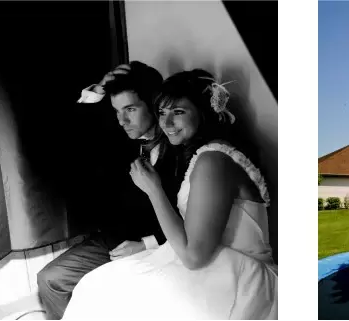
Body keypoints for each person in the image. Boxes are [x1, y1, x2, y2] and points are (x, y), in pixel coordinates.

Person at [61, 69, 277, 319]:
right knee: (97, 288)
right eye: (162, 113)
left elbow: (194, 256)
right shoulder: (202, 154)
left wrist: (154, 190)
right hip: (194, 257)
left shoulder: (212, 160)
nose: (167, 123)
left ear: (204, 112)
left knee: (109, 295)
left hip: (238, 276)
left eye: (178, 112)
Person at [37, 61, 182, 320]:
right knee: (50, 280)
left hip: (161, 247)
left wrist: (146, 243)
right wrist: (100, 90)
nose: (122, 120)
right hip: (112, 240)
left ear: (154, 104)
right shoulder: (121, 135)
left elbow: (191, 216)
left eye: (130, 109)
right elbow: (66, 133)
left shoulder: (179, 144)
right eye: (117, 111)